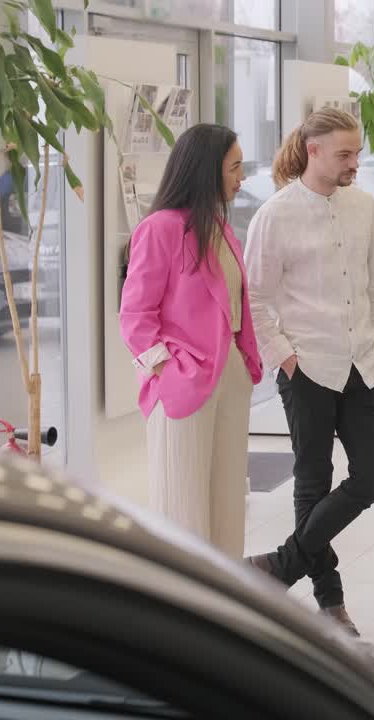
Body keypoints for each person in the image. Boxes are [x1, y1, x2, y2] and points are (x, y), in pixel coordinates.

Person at [242, 108, 374, 636]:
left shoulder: (363, 206)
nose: (355, 163)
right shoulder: (275, 215)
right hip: (307, 366)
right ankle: (332, 605)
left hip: (365, 364)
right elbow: (254, 298)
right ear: (314, 151)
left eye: (357, 153)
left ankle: (280, 566)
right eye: (345, 154)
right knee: (313, 481)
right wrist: (285, 356)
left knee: (373, 478)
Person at [119, 123, 263, 559]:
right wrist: (168, 369)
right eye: (234, 167)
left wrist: (243, 364)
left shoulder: (219, 228)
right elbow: (135, 315)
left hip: (230, 376)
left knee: (227, 503)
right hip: (183, 382)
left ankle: (224, 593)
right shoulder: (159, 229)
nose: (241, 178)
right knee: (181, 505)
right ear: (206, 169)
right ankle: (181, 597)